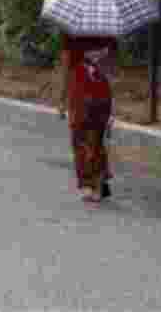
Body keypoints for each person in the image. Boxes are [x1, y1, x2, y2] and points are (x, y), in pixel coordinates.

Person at [57, 32, 117, 203]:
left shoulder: (71, 32)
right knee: (97, 141)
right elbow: (112, 71)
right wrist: (114, 104)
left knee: (80, 141)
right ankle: (99, 185)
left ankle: (88, 185)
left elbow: (66, 67)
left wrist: (62, 99)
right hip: (103, 96)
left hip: (80, 97)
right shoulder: (109, 32)